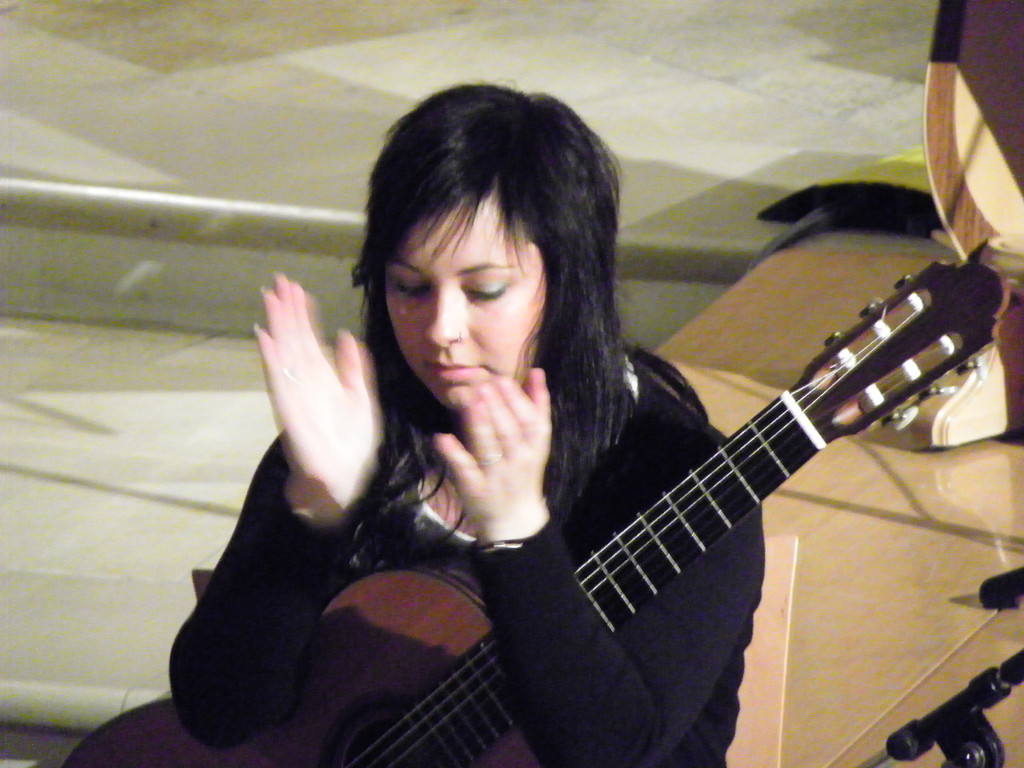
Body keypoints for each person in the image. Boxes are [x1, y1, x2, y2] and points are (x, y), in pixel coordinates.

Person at [169, 83, 764, 768]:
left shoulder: (681, 477)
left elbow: (612, 752)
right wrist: (310, 516)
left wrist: (519, 538)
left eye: (484, 291)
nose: (441, 330)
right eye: (409, 286)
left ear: (569, 283)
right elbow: (218, 712)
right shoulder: (358, 432)